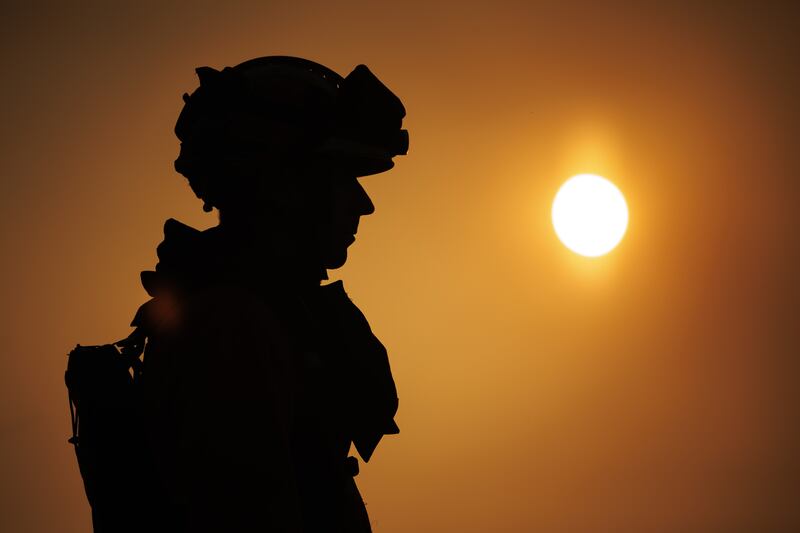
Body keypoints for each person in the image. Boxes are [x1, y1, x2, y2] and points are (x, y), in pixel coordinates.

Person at [130, 56, 407, 532]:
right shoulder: (231, 328)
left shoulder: (261, 316)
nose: (364, 203)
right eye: (341, 175)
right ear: (282, 185)